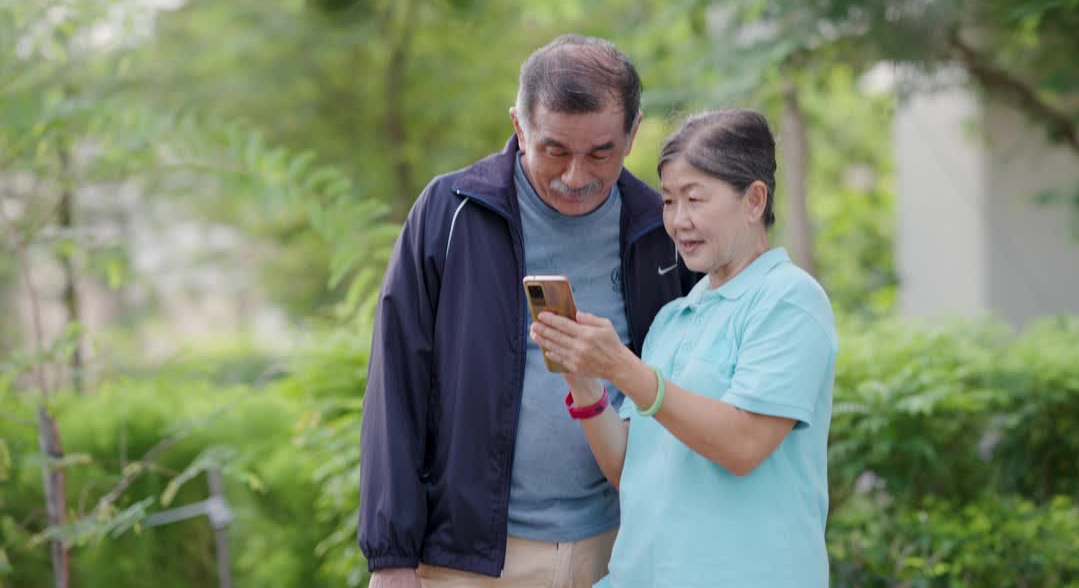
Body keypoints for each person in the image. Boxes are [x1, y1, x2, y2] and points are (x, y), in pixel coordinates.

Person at [359, 34, 699, 588]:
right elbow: (396, 381)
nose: (576, 177)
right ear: (519, 126)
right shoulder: (451, 213)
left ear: (634, 132)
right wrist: (391, 556)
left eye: (601, 153)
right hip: (469, 561)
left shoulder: (663, 228)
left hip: (623, 549)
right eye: (555, 151)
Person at [531, 109, 838, 587]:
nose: (678, 221)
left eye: (695, 199)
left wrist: (623, 367)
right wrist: (585, 379)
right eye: (669, 202)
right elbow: (629, 467)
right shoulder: (675, 317)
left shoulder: (790, 301)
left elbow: (742, 445)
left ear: (754, 199)